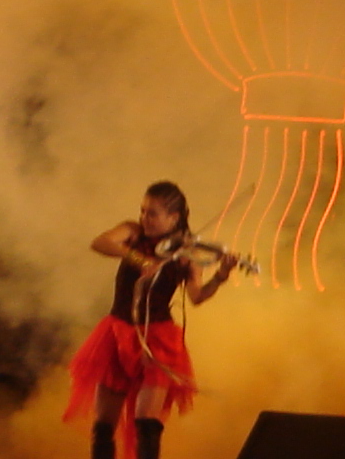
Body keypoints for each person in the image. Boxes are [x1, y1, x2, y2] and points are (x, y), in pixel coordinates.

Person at [63, 181, 238, 459]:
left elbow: (197, 296)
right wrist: (140, 260)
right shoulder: (133, 232)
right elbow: (100, 242)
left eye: (153, 213)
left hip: (157, 338)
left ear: (174, 218)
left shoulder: (186, 254)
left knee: (146, 423)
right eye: (143, 211)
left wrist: (220, 276)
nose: (145, 218)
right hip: (117, 332)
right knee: (103, 426)